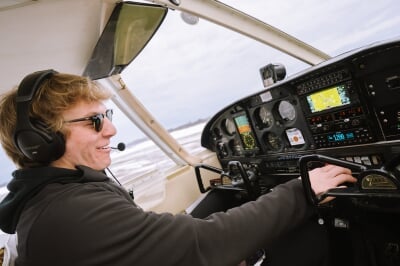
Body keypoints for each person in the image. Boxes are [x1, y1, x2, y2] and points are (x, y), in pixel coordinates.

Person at [0, 70, 356, 266]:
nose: (110, 129)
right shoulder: (69, 212)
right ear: (40, 140)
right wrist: (302, 190)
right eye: (94, 121)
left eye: (107, 116)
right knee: (310, 242)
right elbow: (204, 242)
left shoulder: (50, 201)